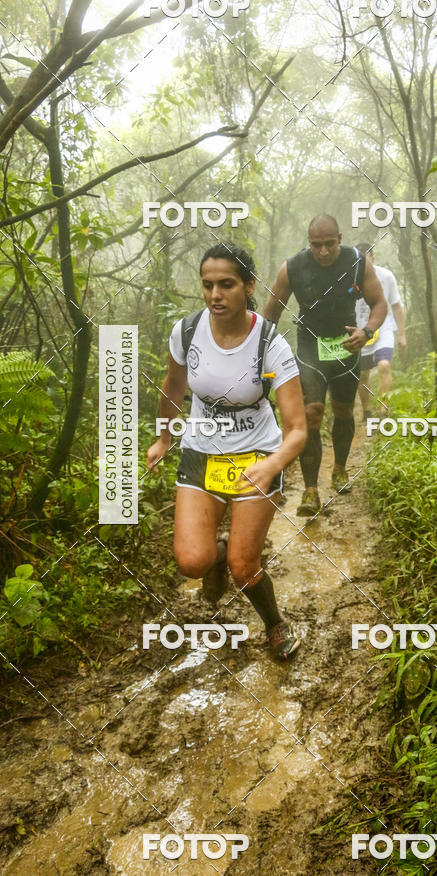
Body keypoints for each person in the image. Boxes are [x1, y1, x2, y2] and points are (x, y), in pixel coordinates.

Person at [147, 243, 307, 661]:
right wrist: (164, 437)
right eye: (208, 285)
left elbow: (297, 430)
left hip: (256, 453)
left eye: (226, 284)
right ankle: (213, 556)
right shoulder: (186, 332)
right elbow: (174, 387)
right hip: (201, 451)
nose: (215, 294)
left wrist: (272, 466)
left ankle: (275, 624)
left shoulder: (269, 346)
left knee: (244, 566)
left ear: (249, 286)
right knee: (191, 562)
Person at [264, 214, 386, 517]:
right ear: (309, 244)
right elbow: (270, 315)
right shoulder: (292, 267)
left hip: (346, 345)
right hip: (310, 347)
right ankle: (310, 491)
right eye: (316, 245)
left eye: (329, 244)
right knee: (312, 413)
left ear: (340, 239)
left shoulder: (358, 262)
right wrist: (260, 355)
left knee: (344, 410)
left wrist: (367, 332)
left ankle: (341, 469)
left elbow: (379, 303)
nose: (323, 251)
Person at [354, 243, 406, 420]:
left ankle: (384, 411)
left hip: (383, 328)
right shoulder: (349, 279)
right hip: (361, 331)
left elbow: (397, 306)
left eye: (367, 258)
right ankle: (367, 411)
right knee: (362, 375)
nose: (364, 264)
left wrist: (402, 334)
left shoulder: (386, 276)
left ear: (373, 257)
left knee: (384, 366)